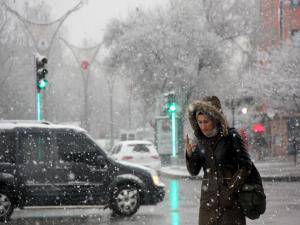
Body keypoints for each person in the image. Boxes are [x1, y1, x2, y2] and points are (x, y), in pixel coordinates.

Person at [185, 96, 253, 225]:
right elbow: (194, 171)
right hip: (208, 202)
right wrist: (189, 155)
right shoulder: (201, 140)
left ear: (215, 119)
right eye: (200, 122)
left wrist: (230, 191)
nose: (203, 126)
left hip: (230, 202)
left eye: (206, 121)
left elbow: (246, 166)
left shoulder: (231, 136)